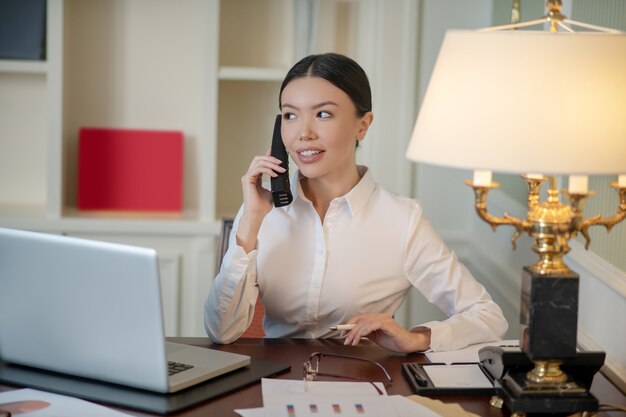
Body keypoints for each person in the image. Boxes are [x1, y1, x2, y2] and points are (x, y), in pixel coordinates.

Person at [204, 52, 508, 353]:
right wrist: (251, 220)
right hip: (275, 383)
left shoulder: (402, 220)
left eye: (323, 114)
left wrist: (417, 338)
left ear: (362, 126)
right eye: (290, 115)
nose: (303, 133)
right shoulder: (261, 211)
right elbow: (222, 331)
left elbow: (488, 316)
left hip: (362, 381)